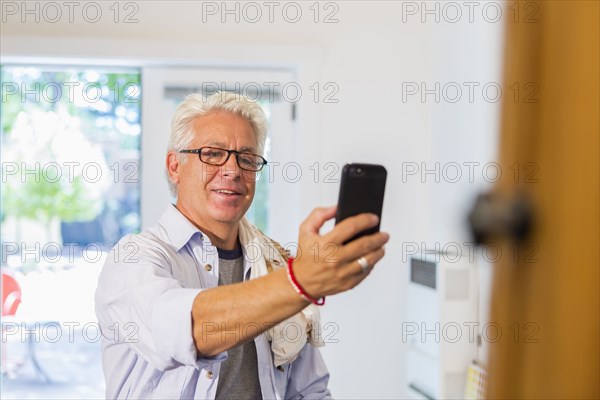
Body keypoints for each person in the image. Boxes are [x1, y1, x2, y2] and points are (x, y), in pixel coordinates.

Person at [95, 92, 389, 399]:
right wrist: (299, 282)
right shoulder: (132, 260)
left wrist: (297, 280)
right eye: (211, 153)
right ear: (174, 166)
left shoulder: (276, 263)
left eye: (246, 158)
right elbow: (189, 332)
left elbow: (308, 391)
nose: (233, 170)